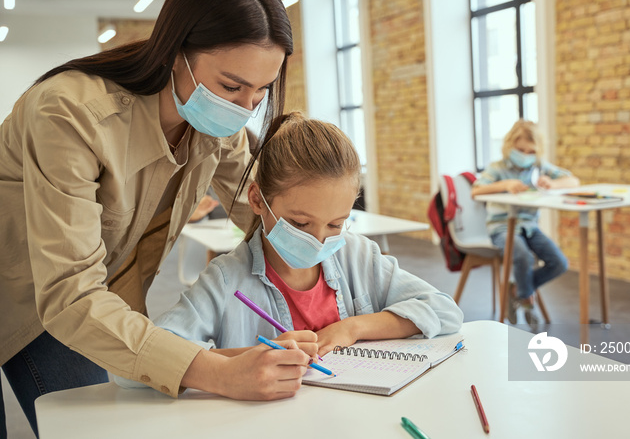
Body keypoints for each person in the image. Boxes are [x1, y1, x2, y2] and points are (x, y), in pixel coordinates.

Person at [0, 0, 310, 435]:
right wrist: (217, 371)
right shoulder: (69, 114)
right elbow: (69, 294)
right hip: (36, 291)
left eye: (262, 91)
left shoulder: (212, 122)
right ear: (175, 52)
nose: (246, 108)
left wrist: (326, 268)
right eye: (231, 86)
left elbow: (260, 211)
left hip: (86, 295)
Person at [135, 112, 464, 368]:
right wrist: (247, 359)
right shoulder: (225, 280)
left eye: (336, 224)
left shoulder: (359, 256)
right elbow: (140, 360)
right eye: (300, 223)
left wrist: (353, 328)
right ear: (257, 200)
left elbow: (445, 311)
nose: (319, 241)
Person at [471, 120, 580, 328]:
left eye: (530, 151)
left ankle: (517, 291)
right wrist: (505, 184)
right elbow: (476, 190)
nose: (525, 154)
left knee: (559, 263)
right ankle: (528, 301)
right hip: (501, 227)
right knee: (522, 255)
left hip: (529, 227)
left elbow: (573, 181)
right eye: (520, 149)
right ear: (509, 145)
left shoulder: (538, 167)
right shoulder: (498, 168)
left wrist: (553, 183)